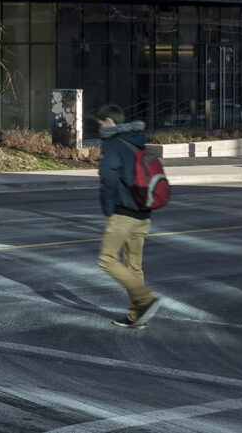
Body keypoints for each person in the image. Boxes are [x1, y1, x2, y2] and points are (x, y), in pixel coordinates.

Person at [95, 105, 160, 328]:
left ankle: (145, 299)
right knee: (133, 265)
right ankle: (136, 315)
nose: (99, 126)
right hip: (143, 212)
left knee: (107, 259)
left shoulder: (112, 144)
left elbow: (108, 178)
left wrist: (107, 208)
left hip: (123, 212)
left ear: (110, 122)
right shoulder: (135, 140)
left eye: (101, 122)